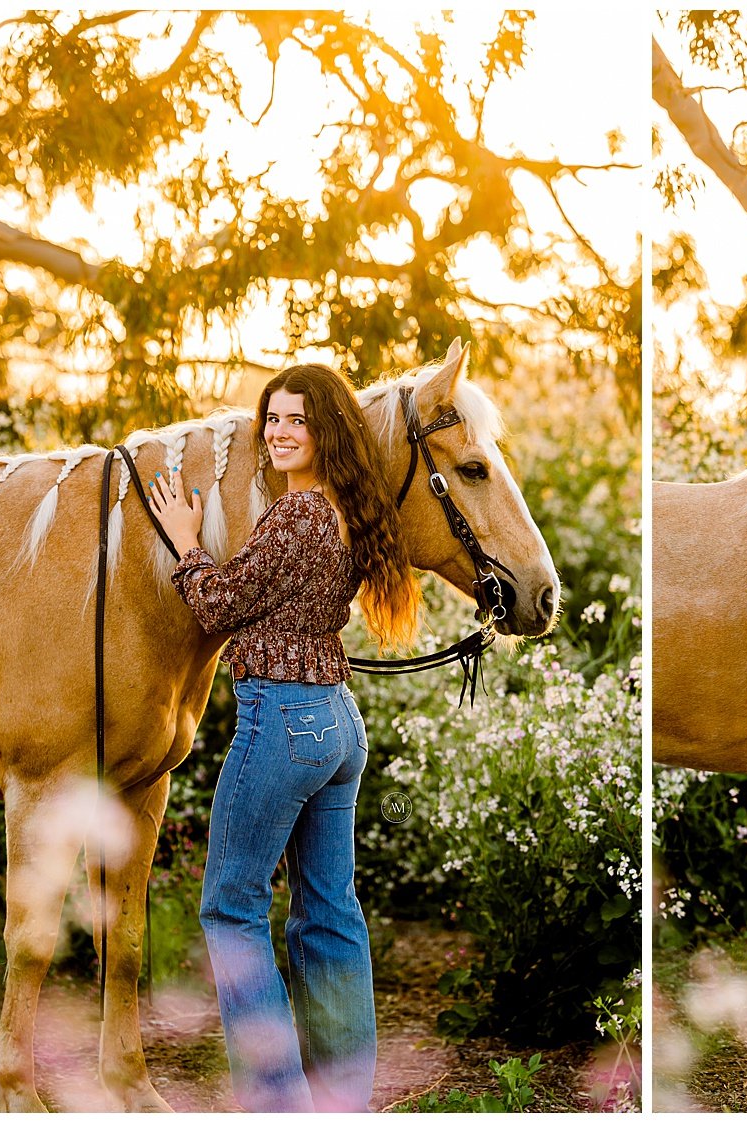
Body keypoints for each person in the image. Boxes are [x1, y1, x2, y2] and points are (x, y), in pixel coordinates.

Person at [149, 363, 421, 1112]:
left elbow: (222, 605)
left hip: (283, 720)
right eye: (272, 417)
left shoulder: (298, 513)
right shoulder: (345, 510)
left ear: (326, 429)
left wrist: (184, 542)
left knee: (231, 909)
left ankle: (276, 1102)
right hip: (337, 720)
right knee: (330, 911)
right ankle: (341, 1097)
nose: (279, 431)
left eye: (296, 419)